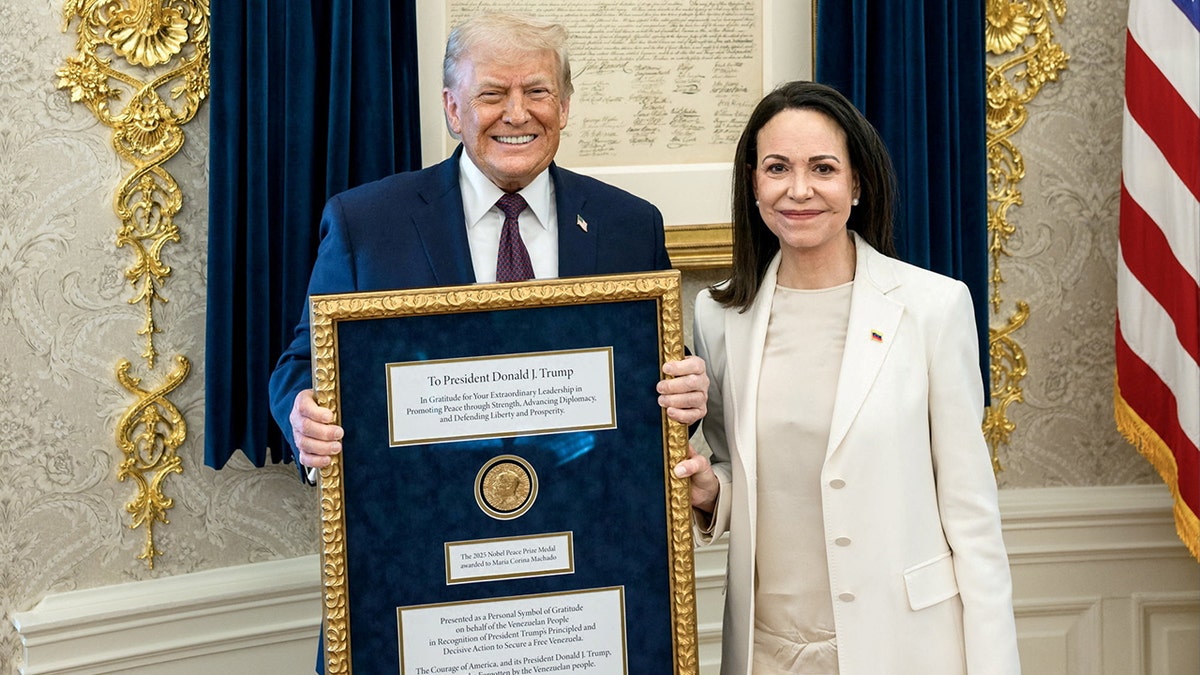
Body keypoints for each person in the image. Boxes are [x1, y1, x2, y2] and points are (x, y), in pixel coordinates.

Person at [672, 81, 1020, 674]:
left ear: (856, 184)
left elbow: (970, 512)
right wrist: (709, 491)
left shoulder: (933, 306)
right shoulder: (718, 314)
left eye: (823, 168)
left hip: (907, 644)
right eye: (777, 167)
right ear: (753, 183)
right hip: (765, 649)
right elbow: (742, 469)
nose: (798, 190)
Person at [269, 12, 708, 472]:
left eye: (537, 92)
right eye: (492, 94)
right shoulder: (366, 224)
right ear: (454, 109)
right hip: (424, 509)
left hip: (586, 506)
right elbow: (304, 364)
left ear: (564, 106)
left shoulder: (629, 225)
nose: (517, 114)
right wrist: (304, 416)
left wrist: (686, 390)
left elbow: (656, 370)